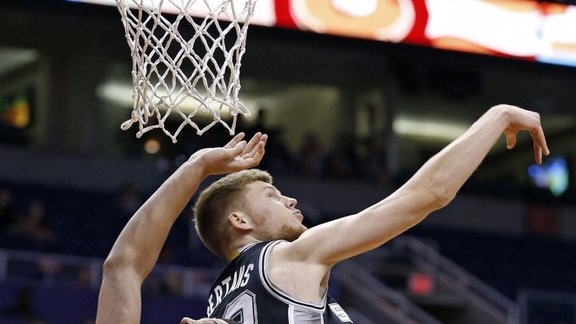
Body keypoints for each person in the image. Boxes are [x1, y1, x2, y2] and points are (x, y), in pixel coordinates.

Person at [96, 104, 549, 323]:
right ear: (240, 221)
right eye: (272, 194)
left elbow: (122, 268)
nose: (291, 201)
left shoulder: (218, 304)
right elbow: (426, 194)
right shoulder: (287, 258)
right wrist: (498, 116)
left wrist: (195, 167)